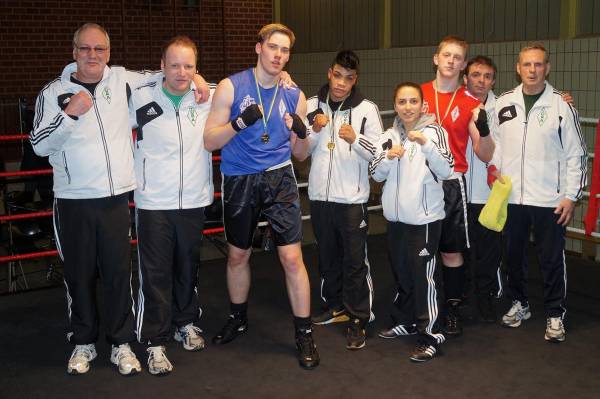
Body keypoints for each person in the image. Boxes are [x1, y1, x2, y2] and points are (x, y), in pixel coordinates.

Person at [29, 23, 209, 376]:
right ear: (74, 51)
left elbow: (168, 73)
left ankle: (121, 343)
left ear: (109, 53)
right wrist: (68, 115)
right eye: (85, 49)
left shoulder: (124, 80)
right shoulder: (54, 93)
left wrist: (199, 78)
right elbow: (38, 144)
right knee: (78, 275)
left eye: (99, 49)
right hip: (73, 199)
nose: (92, 55)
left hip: (115, 199)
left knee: (118, 274)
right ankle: (83, 342)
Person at [203, 23, 318, 369]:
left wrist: (299, 132)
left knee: (292, 259)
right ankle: (238, 317)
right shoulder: (230, 86)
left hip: (279, 177)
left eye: (285, 51)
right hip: (240, 179)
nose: (278, 55)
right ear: (259, 48)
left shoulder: (293, 93)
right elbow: (210, 141)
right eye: (273, 48)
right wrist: (238, 123)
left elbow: (300, 154)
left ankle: (304, 333)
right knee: (238, 255)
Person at [491, 43, 587, 342]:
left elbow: (577, 154)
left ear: (547, 68)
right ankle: (520, 303)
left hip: (550, 200)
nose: (532, 70)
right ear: (518, 68)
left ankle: (555, 313)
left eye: (539, 64)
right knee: (512, 256)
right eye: (527, 65)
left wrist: (571, 196)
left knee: (551, 259)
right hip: (513, 198)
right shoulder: (503, 102)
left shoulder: (562, 105)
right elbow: (494, 146)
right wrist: (496, 174)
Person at [130, 36, 214, 375]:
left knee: (187, 265)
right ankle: (154, 340)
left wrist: (282, 78)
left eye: (189, 66)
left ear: (197, 67)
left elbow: (241, 86)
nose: (182, 72)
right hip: (153, 202)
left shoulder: (206, 96)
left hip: (193, 198)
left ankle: (186, 321)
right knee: (155, 272)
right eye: (175, 65)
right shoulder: (140, 98)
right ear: (161, 66)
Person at [370, 82, 454, 362]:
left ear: (423, 105)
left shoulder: (434, 132)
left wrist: (426, 145)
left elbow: (448, 168)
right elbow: (376, 174)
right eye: (402, 102)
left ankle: (431, 334)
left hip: (425, 220)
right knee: (403, 274)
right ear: (395, 106)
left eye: (413, 102)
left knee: (424, 278)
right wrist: (389, 159)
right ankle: (407, 321)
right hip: (396, 221)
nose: (408, 107)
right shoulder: (389, 135)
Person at [306, 50, 382, 350]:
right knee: (326, 256)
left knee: (354, 261)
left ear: (355, 80)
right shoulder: (312, 106)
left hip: (351, 198)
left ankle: (359, 317)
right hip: (320, 197)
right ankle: (335, 306)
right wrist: (313, 129)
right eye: (338, 75)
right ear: (329, 73)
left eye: (348, 78)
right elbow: (301, 147)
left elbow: (378, 151)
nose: (341, 83)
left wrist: (356, 140)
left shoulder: (367, 109)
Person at [420, 36, 495, 336]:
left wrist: (485, 127)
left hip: (451, 184)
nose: (451, 61)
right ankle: (413, 307)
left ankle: (452, 310)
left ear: (463, 64)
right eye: (446, 55)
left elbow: (485, 153)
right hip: (419, 181)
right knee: (418, 250)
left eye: (458, 57)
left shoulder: (471, 103)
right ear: (436, 58)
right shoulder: (418, 94)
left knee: (451, 252)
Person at [463, 56, 503, 322]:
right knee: (460, 249)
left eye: (487, 76)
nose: (481, 80)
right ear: (466, 77)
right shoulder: (454, 105)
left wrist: (561, 98)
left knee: (490, 251)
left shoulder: (506, 107)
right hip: (460, 191)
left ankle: (486, 297)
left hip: (491, 192)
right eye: (476, 74)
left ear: (493, 80)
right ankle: (460, 298)